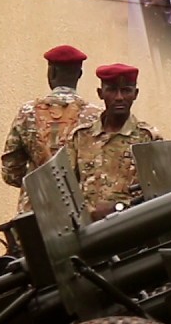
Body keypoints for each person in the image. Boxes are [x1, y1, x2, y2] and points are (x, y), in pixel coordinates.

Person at [1, 45, 102, 214]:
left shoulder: (28, 112)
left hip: (35, 210)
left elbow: (10, 170)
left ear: (51, 72)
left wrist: (37, 183)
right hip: (81, 212)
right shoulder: (95, 115)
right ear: (79, 74)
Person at [66, 64, 161, 221]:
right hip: (87, 228)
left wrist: (120, 208)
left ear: (135, 94)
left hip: (132, 226)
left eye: (126, 90)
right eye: (111, 90)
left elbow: (159, 192)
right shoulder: (80, 137)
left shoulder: (148, 138)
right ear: (100, 93)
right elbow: (66, 189)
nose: (119, 97)